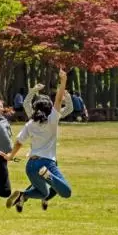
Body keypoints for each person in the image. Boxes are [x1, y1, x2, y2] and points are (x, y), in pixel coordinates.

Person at [6, 70, 74, 212]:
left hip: (30, 165)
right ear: (50, 108)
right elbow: (59, 100)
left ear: (36, 109)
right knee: (66, 192)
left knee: (44, 192)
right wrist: (63, 80)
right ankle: (47, 175)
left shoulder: (30, 122)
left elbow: (19, 142)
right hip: (47, 162)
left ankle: (23, 195)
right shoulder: (52, 120)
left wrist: (10, 156)